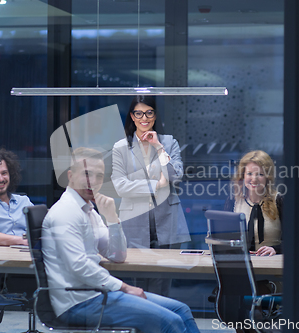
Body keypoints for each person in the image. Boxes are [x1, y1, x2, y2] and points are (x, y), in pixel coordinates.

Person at [42, 147, 200, 333]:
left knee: (181, 310)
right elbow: (79, 266)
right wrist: (125, 288)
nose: (93, 182)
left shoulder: (88, 210)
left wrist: (112, 218)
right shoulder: (66, 211)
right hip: (79, 303)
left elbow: (118, 255)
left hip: (97, 293)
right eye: (87, 174)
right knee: (170, 321)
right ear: (70, 176)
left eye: (99, 176)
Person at [111, 96, 190, 249]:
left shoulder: (169, 142)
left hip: (168, 221)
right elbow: (121, 187)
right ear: (132, 117)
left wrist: (158, 147)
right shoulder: (120, 147)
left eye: (149, 113)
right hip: (133, 222)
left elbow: (175, 176)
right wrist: (157, 184)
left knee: (169, 269)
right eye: (139, 113)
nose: (144, 118)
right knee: (136, 270)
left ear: (155, 116)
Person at [225, 150, 283, 256]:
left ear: (267, 177)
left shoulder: (279, 200)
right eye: (249, 174)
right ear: (243, 175)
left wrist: (276, 249)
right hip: (242, 263)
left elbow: (294, 238)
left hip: (273, 263)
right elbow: (224, 236)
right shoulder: (233, 200)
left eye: (260, 174)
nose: (254, 179)